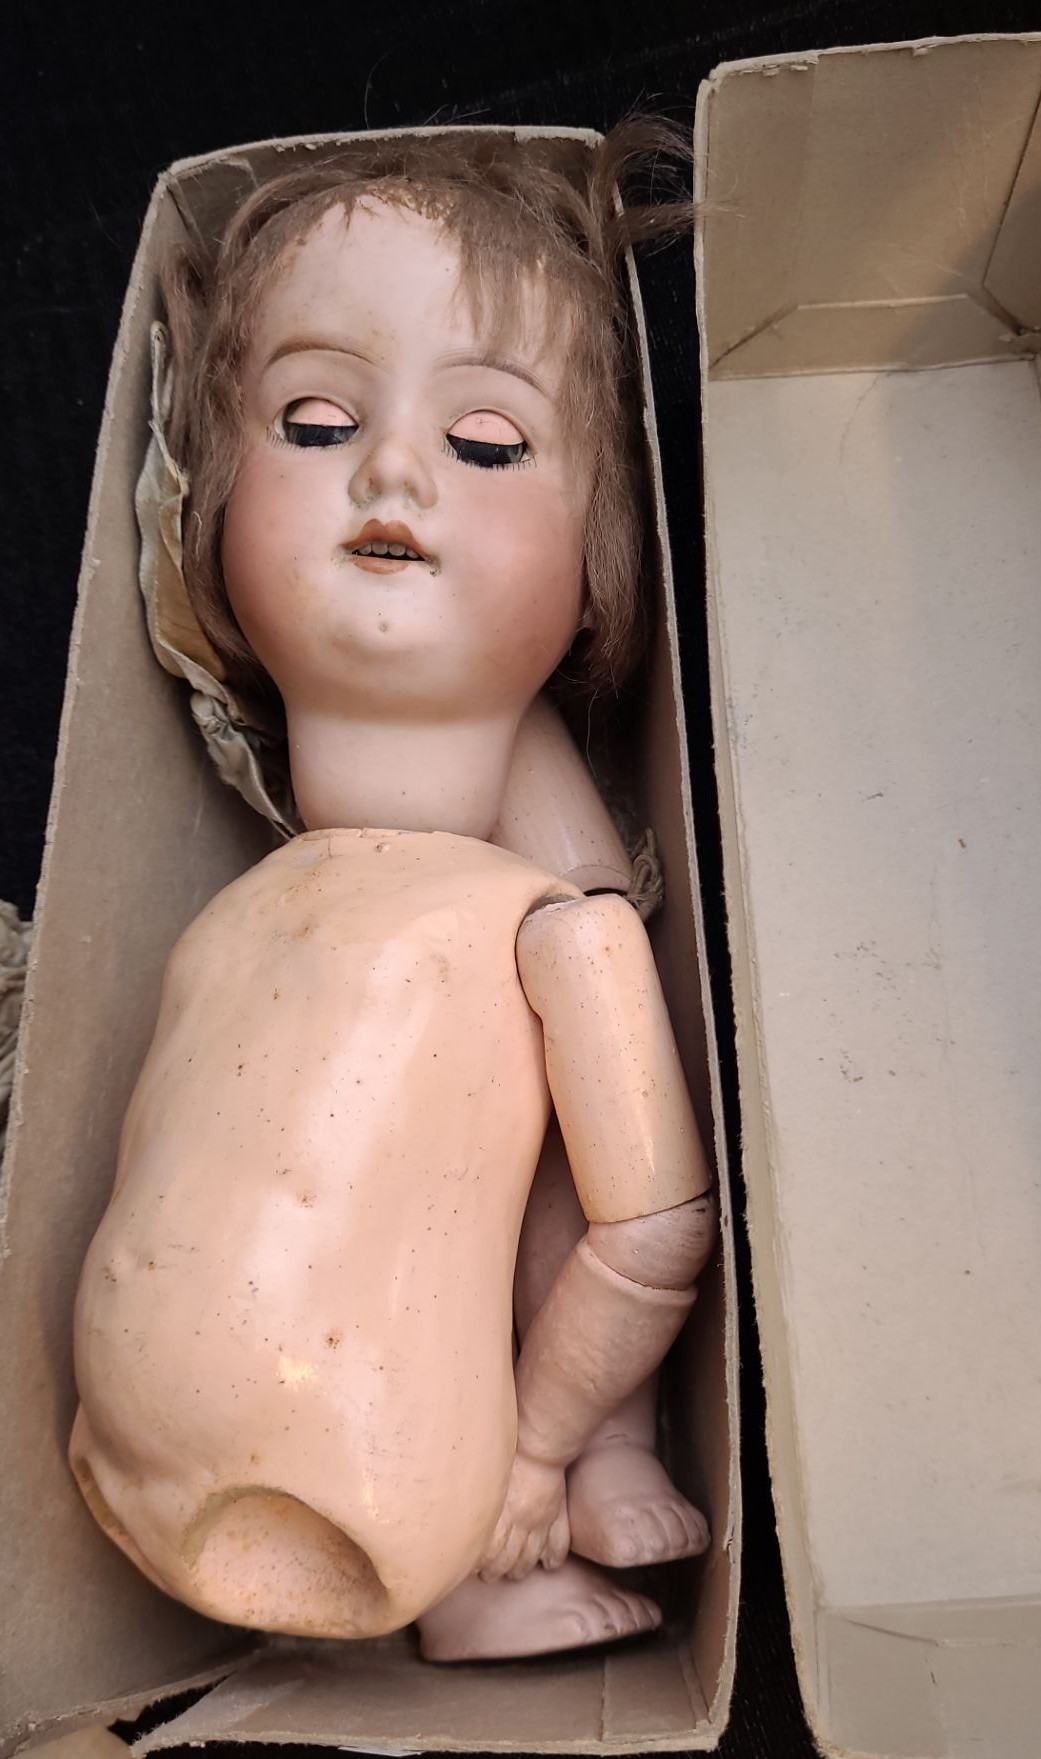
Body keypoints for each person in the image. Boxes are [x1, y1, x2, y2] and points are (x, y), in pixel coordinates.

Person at [69, 126, 715, 1662]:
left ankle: (555, 1496)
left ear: (597, 566)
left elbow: (653, 1223)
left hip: (393, 1494)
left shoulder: (546, 927)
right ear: (201, 518)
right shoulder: (259, 914)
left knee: (557, 1177)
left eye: (486, 444)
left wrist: (538, 1456)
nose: (392, 469)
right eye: (312, 421)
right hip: (140, 1450)